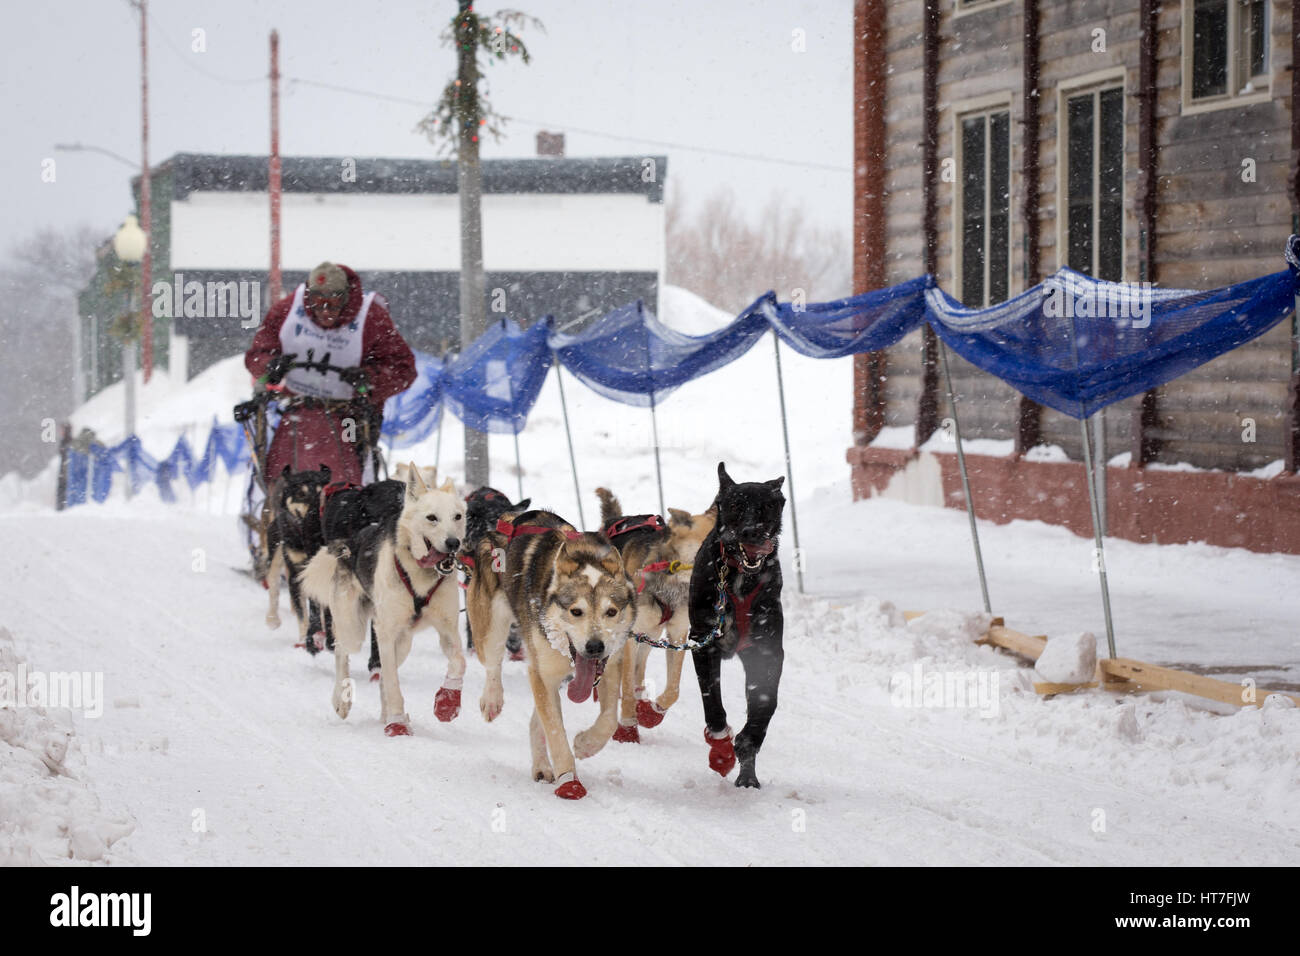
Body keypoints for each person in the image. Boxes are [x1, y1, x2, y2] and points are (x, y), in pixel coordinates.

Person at [245, 262, 416, 486]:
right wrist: (270, 366)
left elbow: (404, 369)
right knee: (280, 475)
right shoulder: (287, 310)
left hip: (349, 416)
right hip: (298, 410)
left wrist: (370, 377)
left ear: (346, 298)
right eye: (318, 302)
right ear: (308, 298)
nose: (325, 311)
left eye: (334, 303)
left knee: (347, 476)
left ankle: (349, 505)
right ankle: (275, 510)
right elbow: (257, 354)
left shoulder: (372, 317)